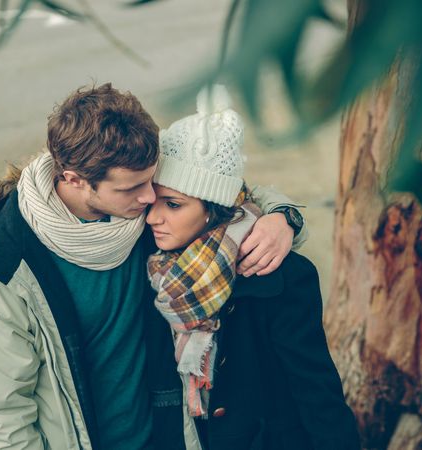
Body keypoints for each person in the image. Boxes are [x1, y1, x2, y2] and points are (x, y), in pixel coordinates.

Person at [0, 83, 308, 450]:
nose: (150, 198)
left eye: (152, 181)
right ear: (74, 180)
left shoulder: (143, 204)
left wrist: (282, 216)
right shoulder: (7, 262)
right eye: (132, 189)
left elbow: (220, 191)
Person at [143, 85, 360, 450]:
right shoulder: (150, 264)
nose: (153, 216)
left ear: (213, 209)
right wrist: (285, 214)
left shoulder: (281, 276)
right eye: (153, 199)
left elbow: (315, 389)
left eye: (173, 204)